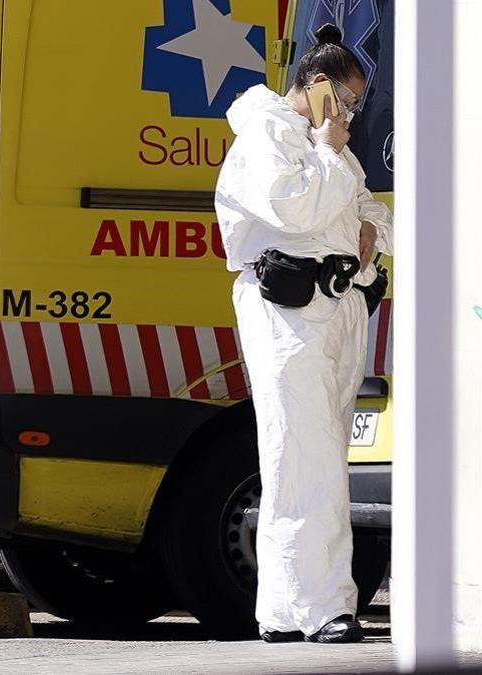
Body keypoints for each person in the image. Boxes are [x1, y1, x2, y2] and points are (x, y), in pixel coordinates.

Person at [215, 23, 393, 644]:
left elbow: (367, 210)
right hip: (287, 313)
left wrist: (372, 233)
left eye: (354, 106)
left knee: (314, 460)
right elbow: (297, 209)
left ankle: (286, 609)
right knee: (302, 457)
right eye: (344, 99)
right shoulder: (269, 136)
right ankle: (323, 607)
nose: (349, 114)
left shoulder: (328, 144)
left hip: (335, 310)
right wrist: (327, 148)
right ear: (315, 85)